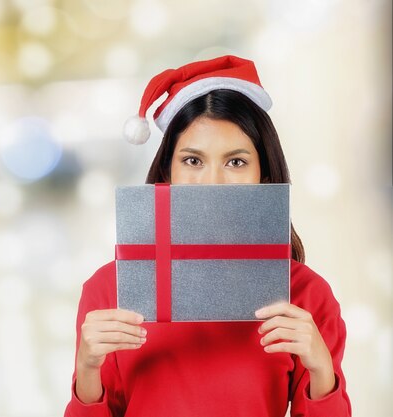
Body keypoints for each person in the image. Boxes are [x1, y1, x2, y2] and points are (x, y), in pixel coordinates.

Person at [64, 55, 352, 417]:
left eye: (236, 162)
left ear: (264, 178)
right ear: (167, 174)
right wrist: (87, 370)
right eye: (193, 161)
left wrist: (321, 369)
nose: (213, 181)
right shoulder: (109, 291)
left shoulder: (306, 296)